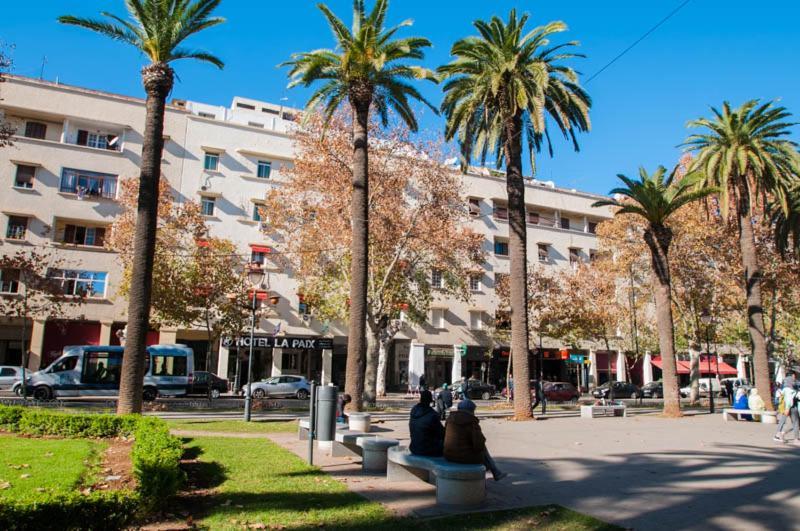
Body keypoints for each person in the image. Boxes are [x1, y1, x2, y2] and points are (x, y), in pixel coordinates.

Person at [443, 399, 506, 481]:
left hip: (448, 455)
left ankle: (495, 472)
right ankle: (495, 472)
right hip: (464, 458)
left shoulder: (450, 420)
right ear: (471, 410)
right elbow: (479, 445)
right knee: (483, 449)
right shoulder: (471, 422)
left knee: (481, 449)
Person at [408, 390, 444, 456]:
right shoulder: (432, 415)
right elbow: (442, 433)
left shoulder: (414, 410)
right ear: (430, 400)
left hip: (414, 447)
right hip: (427, 450)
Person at [774, 375, 799, 445]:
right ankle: (796, 439)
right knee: (795, 423)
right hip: (791, 407)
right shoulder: (789, 390)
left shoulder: (785, 389)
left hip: (787, 408)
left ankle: (778, 435)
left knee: (783, 421)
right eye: (793, 381)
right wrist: (787, 408)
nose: (794, 382)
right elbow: (789, 400)